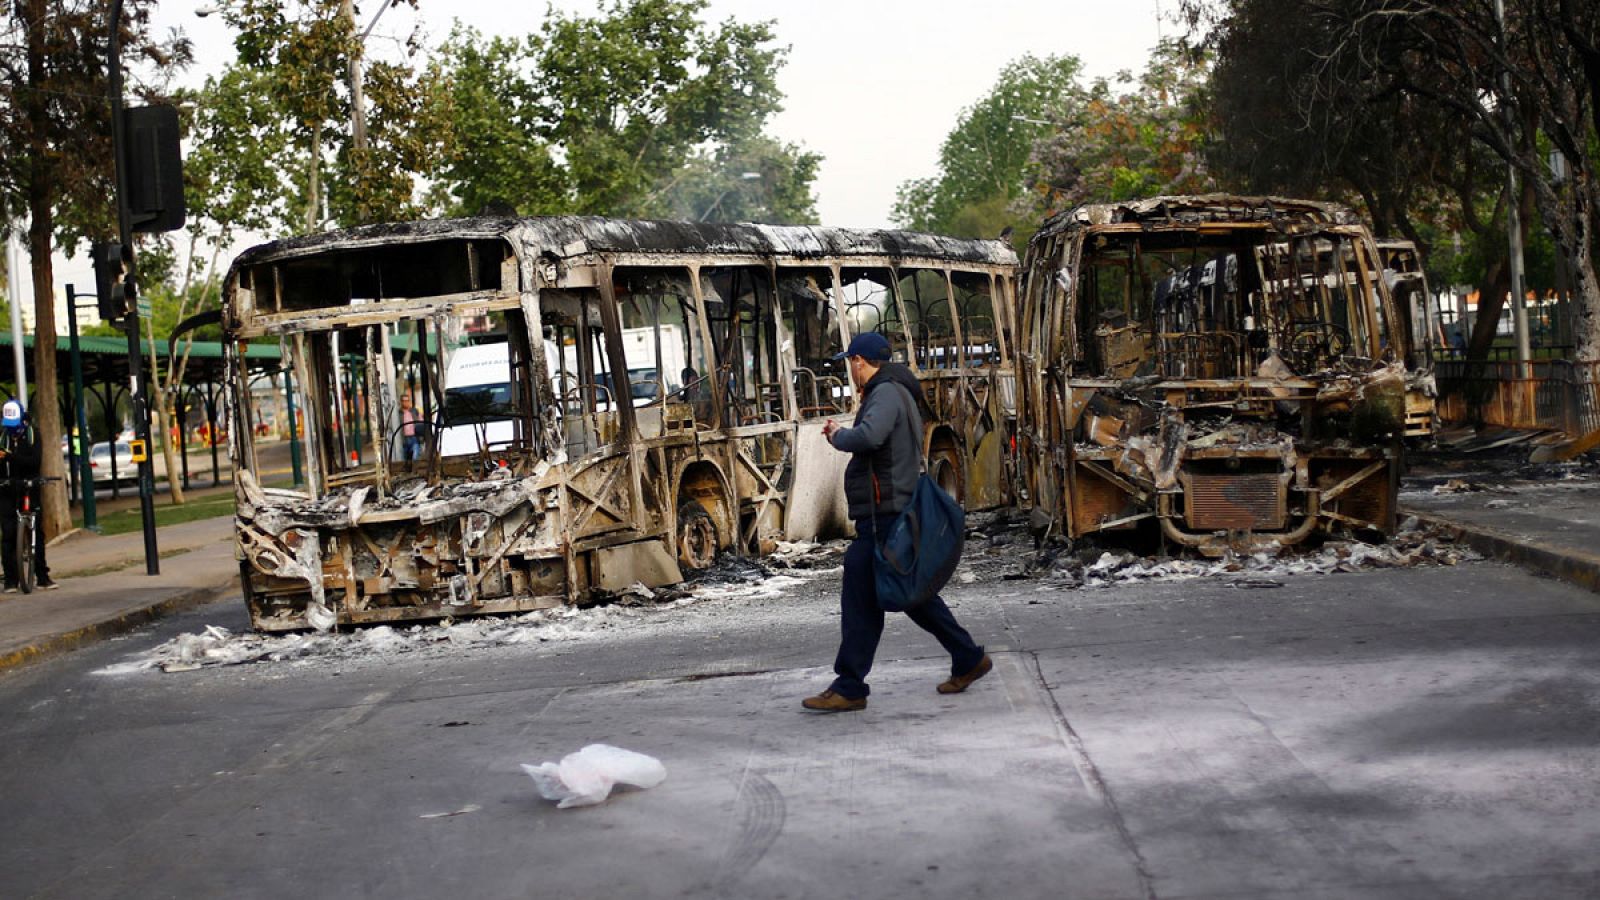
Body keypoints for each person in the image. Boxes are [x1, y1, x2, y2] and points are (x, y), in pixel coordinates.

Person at [802, 332, 989, 712]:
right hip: (885, 509)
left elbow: (869, 437)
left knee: (875, 596)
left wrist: (838, 435)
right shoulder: (894, 390)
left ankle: (851, 686)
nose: (851, 370)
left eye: (851, 363)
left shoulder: (885, 392)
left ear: (859, 361)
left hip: (883, 512)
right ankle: (966, 656)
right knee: (904, 593)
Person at [0, 399, 55, 591]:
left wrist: (10, 457)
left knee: (37, 531)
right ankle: (10, 579)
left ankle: (42, 576)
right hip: (8, 487)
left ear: (23, 419)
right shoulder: (3, 437)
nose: (12, 429)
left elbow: (34, 461)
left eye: (14, 424)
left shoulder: (33, 435)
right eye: (8, 425)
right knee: (8, 533)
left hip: (30, 485)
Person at [399, 393, 422, 461]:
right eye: (404, 401)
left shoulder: (414, 411)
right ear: (401, 402)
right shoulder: (399, 413)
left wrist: (421, 437)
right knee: (405, 459)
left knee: (415, 457)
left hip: (414, 437)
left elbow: (421, 422)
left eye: (407, 400)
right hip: (404, 439)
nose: (406, 403)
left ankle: (415, 467)